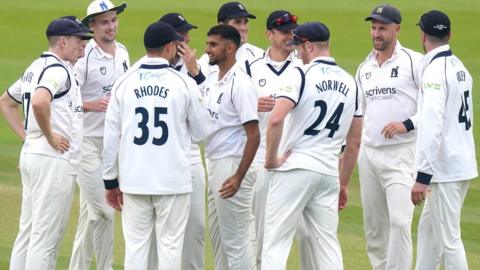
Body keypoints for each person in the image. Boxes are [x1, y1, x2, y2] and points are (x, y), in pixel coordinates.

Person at [102, 21, 209, 270]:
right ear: (171, 47)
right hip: (173, 180)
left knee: (136, 247)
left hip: (134, 179)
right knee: (170, 247)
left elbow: (111, 135)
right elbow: (202, 133)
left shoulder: (124, 82)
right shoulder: (183, 82)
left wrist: (110, 180)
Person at [262, 21, 358, 270]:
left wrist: (271, 160)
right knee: (326, 244)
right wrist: (343, 182)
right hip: (327, 172)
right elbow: (354, 141)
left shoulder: (299, 74)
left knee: (275, 242)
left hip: (296, 167)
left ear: (308, 46)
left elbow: (275, 118)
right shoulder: (351, 82)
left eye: (297, 47)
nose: (295, 52)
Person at [0, 17, 92, 270]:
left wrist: (28, 138)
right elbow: (41, 101)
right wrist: (49, 136)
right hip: (53, 159)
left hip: (34, 154)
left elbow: (6, 102)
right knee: (46, 238)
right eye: (79, 40)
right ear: (63, 41)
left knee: (28, 232)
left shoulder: (35, 66)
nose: (83, 45)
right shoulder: (57, 69)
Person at [355, 4, 423, 269]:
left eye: (382, 27)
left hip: (402, 154)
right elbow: (358, 114)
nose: (376, 33)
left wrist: (407, 124)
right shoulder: (364, 68)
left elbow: (434, 108)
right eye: (373, 27)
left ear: (397, 28)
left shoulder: (414, 62)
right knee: (374, 229)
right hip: (369, 154)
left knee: (400, 221)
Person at [411, 10, 478, 270]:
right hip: (462, 164)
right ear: (449, 35)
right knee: (428, 230)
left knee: (449, 241)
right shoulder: (460, 67)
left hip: (444, 169)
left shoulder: (434, 72)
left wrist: (422, 176)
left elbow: (432, 124)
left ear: (422, 36)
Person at [69, 1, 129, 269]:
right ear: (91, 26)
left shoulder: (124, 52)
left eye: (113, 19)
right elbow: (65, 101)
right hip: (87, 144)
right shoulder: (84, 57)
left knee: (90, 215)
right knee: (105, 212)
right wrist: (91, 105)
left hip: (113, 146)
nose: (111, 26)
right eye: (104, 22)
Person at [245, 9, 301, 269]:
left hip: (295, 156)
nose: (290, 36)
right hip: (261, 156)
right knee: (261, 229)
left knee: (302, 233)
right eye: (283, 31)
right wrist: (252, 104)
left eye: (293, 31)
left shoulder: (305, 66)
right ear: (269, 34)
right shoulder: (251, 68)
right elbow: (229, 107)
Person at [203, 24, 260, 270]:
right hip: (215, 162)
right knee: (220, 240)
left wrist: (238, 176)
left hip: (231, 164)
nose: (207, 50)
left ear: (230, 47)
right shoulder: (215, 80)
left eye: (213, 45)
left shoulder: (241, 84)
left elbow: (254, 135)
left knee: (236, 244)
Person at [159, 12, 207, 270]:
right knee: (163, 231)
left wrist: (195, 72)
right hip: (159, 160)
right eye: (182, 34)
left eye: (188, 33)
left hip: (190, 157)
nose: (188, 38)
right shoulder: (147, 68)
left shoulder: (199, 65)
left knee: (196, 225)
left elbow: (209, 108)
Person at [199, 1, 264, 72]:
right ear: (222, 26)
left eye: (245, 22)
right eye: (237, 22)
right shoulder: (206, 61)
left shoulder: (260, 57)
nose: (244, 28)